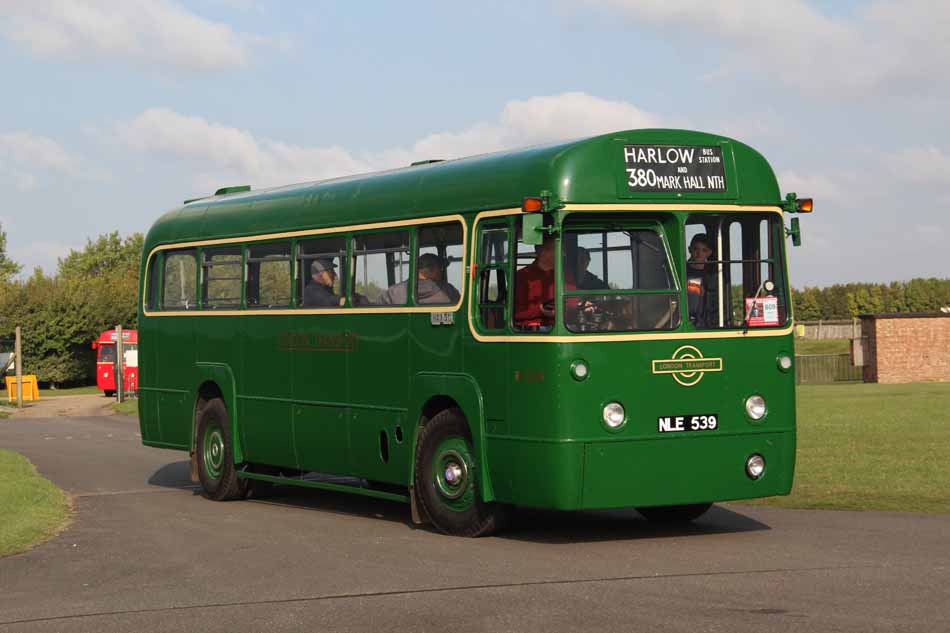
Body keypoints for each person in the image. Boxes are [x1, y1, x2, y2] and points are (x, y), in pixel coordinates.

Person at [379, 253, 460, 305]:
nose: (442, 271)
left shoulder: (394, 292)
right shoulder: (448, 291)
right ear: (432, 269)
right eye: (440, 268)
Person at [686, 233, 718, 328]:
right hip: (689, 322)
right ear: (689, 249)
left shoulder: (713, 274)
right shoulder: (682, 272)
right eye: (696, 249)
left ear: (709, 253)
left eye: (704, 250)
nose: (699, 253)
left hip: (708, 322)